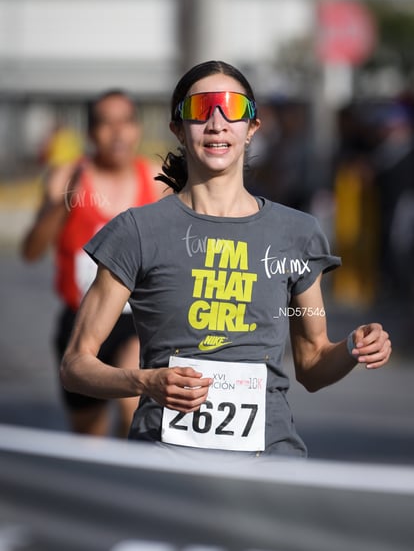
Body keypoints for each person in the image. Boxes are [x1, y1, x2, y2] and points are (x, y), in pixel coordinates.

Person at [60, 61, 391, 458]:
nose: (217, 122)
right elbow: (75, 365)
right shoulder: (136, 231)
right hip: (166, 464)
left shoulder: (297, 234)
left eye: (232, 108)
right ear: (178, 129)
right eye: (201, 109)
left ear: (252, 128)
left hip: (269, 463)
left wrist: (353, 348)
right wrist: (145, 381)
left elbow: (313, 363)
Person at [21, 89, 166, 437]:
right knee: (89, 434)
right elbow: (31, 251)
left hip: (138, 320)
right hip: (82, 318)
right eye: (105, 124)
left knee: (133, 402)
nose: (117, 133)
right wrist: (62, 203)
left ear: (137, 130)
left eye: (125, 122)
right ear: (90, 133)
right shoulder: (66, 178)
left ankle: (126, 475)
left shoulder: (157, 180)